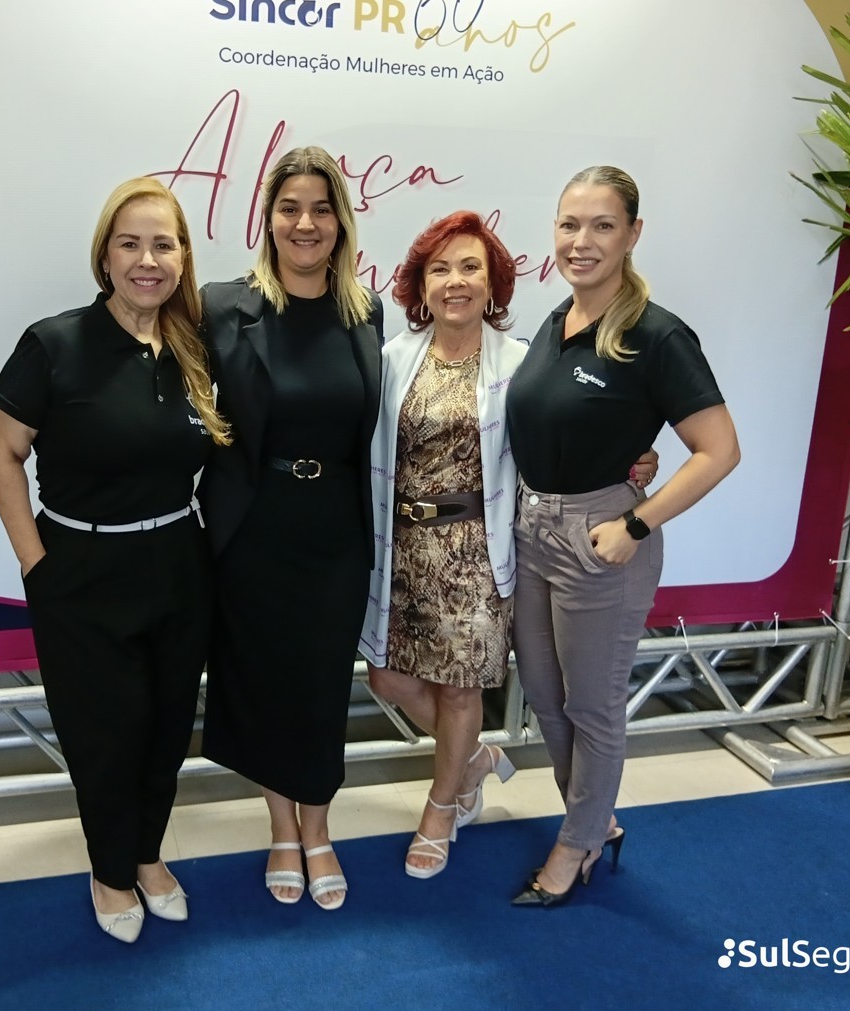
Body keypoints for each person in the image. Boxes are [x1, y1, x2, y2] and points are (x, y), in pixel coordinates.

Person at [361, 211, 656, 879]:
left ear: (492, 282)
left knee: (459, 692)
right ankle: (473, 761)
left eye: (470, 267)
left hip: (476, 549)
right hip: (401, 547)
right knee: (387, 676)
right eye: (440, 269)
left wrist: (633, 457)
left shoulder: (522, 362)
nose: (455, 281)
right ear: (419, 285)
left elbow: (570, 431)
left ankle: (443, 807)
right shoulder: (391, 358)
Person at [0, 178, 231, 943]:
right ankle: (110, 870)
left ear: (182, 257)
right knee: (105, 735)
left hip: (178, 563)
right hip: (81, 571)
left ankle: (147, 854)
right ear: (105, 255)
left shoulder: (192, 348)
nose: (146, 260)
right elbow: (2, 452)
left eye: (162, 244)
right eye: (130, 244)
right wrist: (36, 564)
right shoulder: (53, 343)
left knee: (165, 727)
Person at [504, 166, 740, 907]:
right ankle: (594, 818)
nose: (581, 241)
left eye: (602, 226)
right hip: (532, 529)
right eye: (569, 224)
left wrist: (637, 522)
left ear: (633, 234)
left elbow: (719, 450)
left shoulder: (657, 334)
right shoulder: (556, 320)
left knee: (592, 705)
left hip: (599, 539)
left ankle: (575, 843)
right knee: (544, 696)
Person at [198, 146, 383, 911]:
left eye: (319, 209)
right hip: (253, 526)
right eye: (288, 208)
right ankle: (283, 827)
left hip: (336, 528)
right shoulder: (220, 305)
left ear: (340, 221)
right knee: (264, 681)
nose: (304, 223)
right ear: (267, 218)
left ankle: (319, 824)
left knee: (320, 684)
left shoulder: (368, 313)